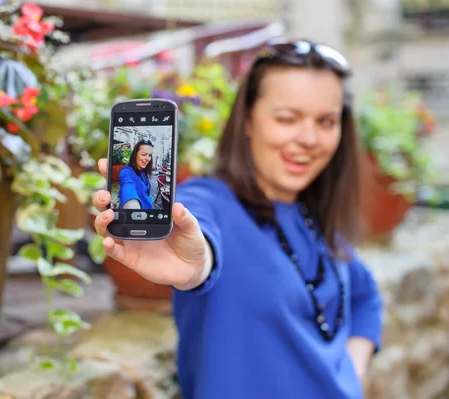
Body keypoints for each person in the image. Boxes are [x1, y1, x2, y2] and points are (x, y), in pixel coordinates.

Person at [94, 38, 383, 399]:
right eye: (287, 118)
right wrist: (196, 263)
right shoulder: (209, 201)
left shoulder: (313, 215)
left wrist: (351, 373)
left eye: (326, 121)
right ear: (247, 119)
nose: (309, 138)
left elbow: (364, 294)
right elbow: (198, 236)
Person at [118, 139, 154, 209]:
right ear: (135, 155)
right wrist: (132, 207)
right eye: (144, 154)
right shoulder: (126, 172)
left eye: (150, 155)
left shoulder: (142, 172)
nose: (148, 159)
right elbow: (127, 186)